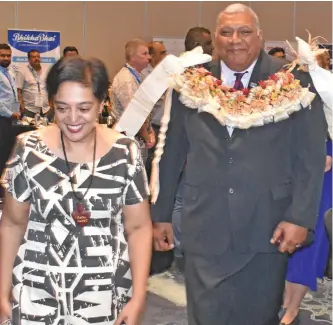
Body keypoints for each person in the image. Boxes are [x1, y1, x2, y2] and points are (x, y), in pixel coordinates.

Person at [151, 4, 327, 325]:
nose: (235, 40)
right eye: (226, 32)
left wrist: (300, 217)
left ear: (260, 36)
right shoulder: (189, 82)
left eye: (245, 31)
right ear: (214, 38)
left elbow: (310, 158)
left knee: (257, 317)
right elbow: (171, 151)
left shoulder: (293, 79)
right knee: (205, 317)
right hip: (204, 225)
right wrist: (160, 215)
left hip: (268, 227)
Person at [0, 57, 152, 325]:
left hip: (105, 294)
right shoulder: (28, 149)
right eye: (61, 108)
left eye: (84, 108)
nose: (72, 119)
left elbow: (138, 227)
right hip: (35, 291)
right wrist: (2, 287)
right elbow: (12, 224)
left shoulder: (125, 153)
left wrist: (138, 294)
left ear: (101, 102)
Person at [280, 51, 333, 325]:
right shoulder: (288, 91)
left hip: (323, 176)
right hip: (288, 171)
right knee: (282, 235)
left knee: (308, 240)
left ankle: (292, 307)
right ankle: (284, 300)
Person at [111, 38, 156, 164]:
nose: (149, 58)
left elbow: (144, 109)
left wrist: (150, 130)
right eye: (144, 53)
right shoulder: (126, 79)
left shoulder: (138, 76)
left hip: (138, 138)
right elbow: (134, 113)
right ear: (132, 56)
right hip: (128, 140)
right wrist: (147, 137)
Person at [0, 43, 20, 199]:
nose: (6, 58)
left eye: (8, 55)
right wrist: (10, 113)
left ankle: (5, 188)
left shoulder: (8, 72)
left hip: (9, 119)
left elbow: (12, 95)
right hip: (2, 118)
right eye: (2, 55)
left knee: (7, 152)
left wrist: (16, 111)